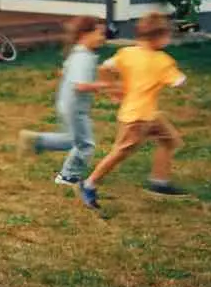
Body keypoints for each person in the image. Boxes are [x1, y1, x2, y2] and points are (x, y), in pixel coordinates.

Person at [79, 12, 189, 209]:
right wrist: (178, 77)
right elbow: (179, 81)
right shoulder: (163, 61)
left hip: (148, 115)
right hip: (138, 119)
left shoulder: (127, 53)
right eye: (167, 36)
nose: (168, 39)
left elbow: (105, 68)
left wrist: (111, 89)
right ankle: (89, 184)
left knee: (169, 140)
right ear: (158, 37)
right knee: (120, 152)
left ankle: (159, 182)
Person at [18, 17, 109, 186]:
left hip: (67, 104)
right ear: (85, 34)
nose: (102, 38)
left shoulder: (77, 53)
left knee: (71, 139)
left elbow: (64, 72)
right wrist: (101, 85)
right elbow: (80, 85)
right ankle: (68, 176)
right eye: (99, 33)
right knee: (85, 144)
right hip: (75, 108)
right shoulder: (83, 57)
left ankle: (36, 141)